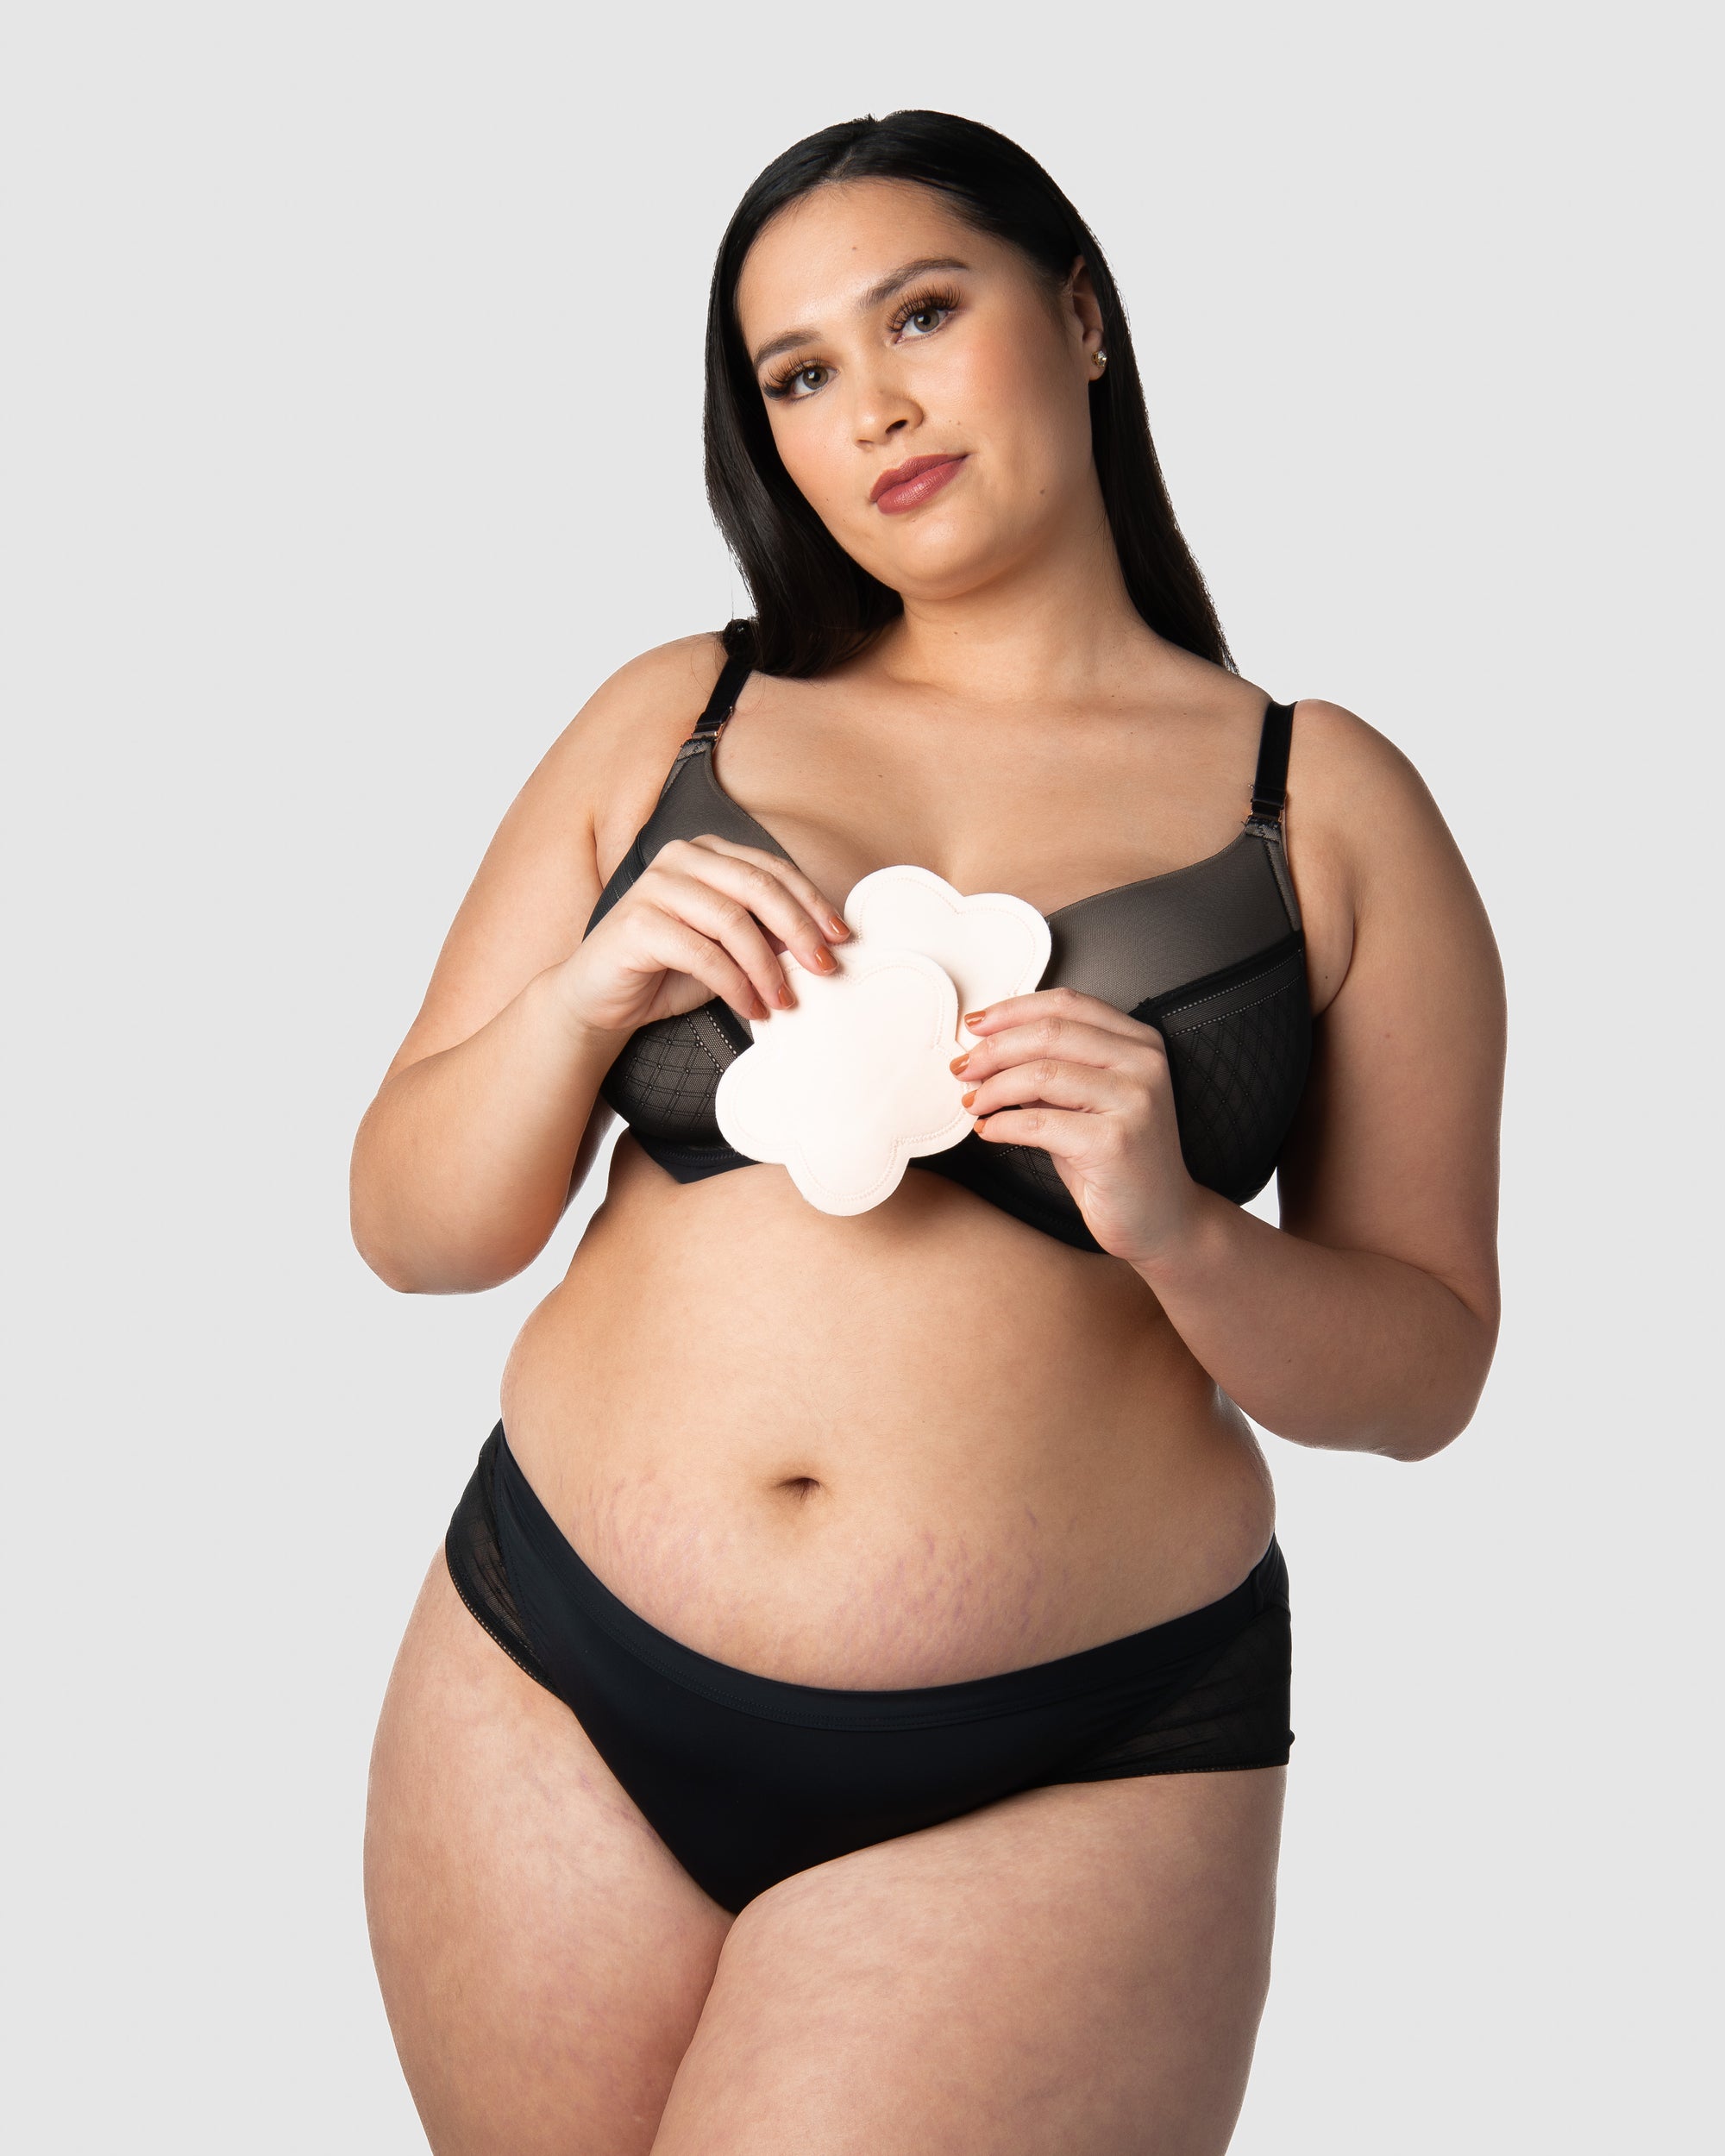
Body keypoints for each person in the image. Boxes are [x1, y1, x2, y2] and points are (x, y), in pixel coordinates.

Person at [352, 108, 1505, 2156]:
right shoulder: (675, 716)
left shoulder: (1320, 805)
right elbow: (412, 1224)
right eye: (797, 374)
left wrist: (1179, 1225)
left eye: (919, 315)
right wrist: (579, 1002)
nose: (868, 407)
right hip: (547, 1676)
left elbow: (1423, 1373)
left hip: (1058, 1761)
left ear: (1079, 315)